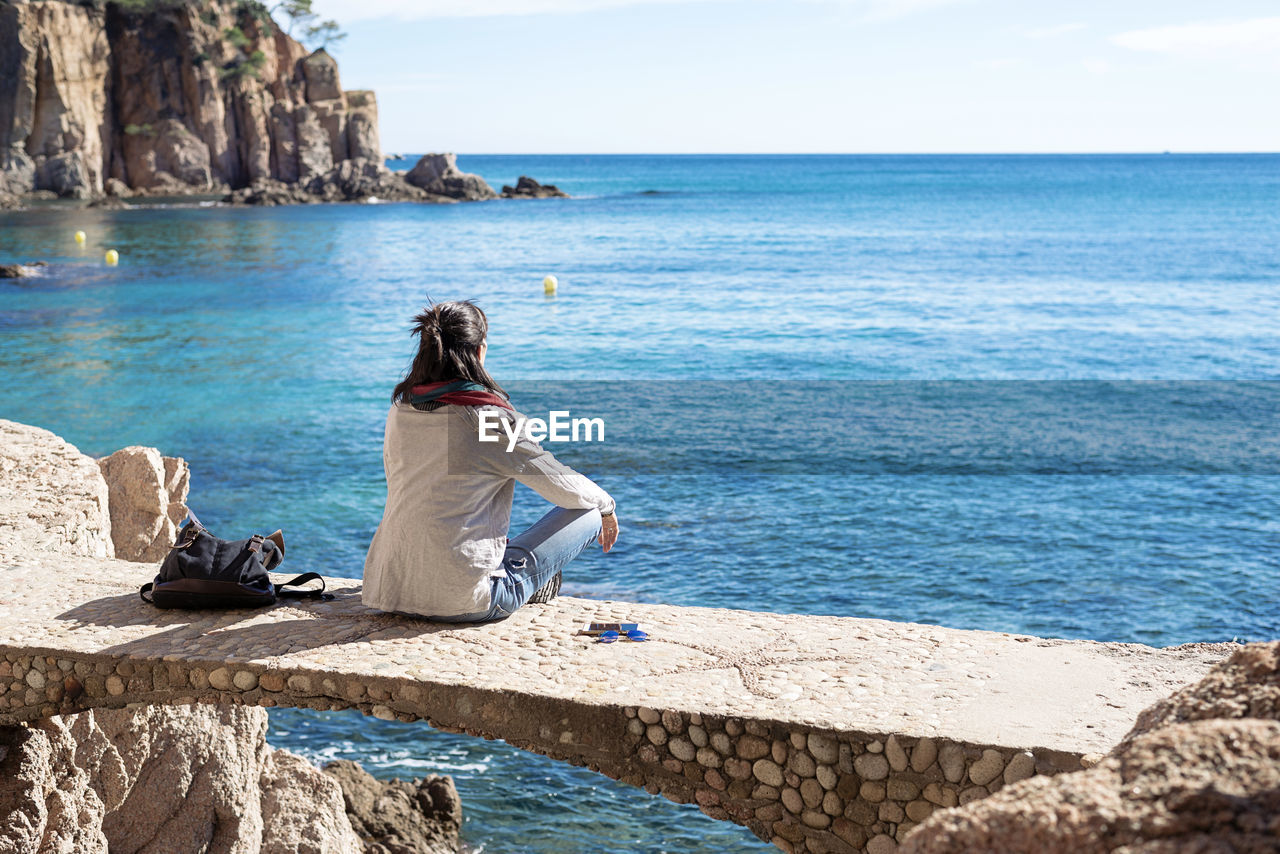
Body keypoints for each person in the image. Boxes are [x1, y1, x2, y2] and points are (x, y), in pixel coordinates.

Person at [363, 300, 618, 622]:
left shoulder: (401, 409)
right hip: (464, 601)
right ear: (480, 351)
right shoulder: (488, 421)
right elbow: (563, 487)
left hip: (390, 590)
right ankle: (524, 583)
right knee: (590, 510)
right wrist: (607, 507)